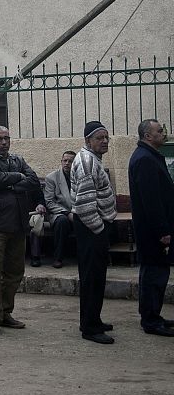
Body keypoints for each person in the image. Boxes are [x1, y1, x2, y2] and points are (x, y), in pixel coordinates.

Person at [0, 125, 44, 337]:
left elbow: (34, 181)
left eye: (7, 138)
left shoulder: (17, 159)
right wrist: (18, 178)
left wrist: (11, 181)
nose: (4, 142)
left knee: (15, 272)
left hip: (18, 225)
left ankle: (5, 312)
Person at [71, 121, 117, 344]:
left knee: (96, 277)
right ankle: (90, 328)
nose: (105, 141)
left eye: (106, 137)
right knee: (92, 278)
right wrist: (100, 230)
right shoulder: (88, 162)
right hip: (91, 227)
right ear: (88, 141)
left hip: (93, 226)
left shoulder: (91, 159)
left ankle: (93, 320)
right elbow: (85, 205)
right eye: (100, 138)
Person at [128, 119, 174, 337]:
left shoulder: (150, 155)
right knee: (154, 275)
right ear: (148, 136)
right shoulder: (145, 159)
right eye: (159, 130)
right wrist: (163, 231)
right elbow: (151, 200)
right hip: (152, 232)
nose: (163, 133)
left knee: (156, 273)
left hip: (153, 230)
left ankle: (153, 315)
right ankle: (151, 320)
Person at [40, 151, 77, 268]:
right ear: (61, 162)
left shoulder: (79, 176)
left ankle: (85, 256)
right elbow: (49, 202)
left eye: (70, 161)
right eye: (65, 161)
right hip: (58, 213)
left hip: (77, 211)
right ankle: (58, 258)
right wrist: (67, 213)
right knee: (62, 222)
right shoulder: (52, 177)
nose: (67, 163)